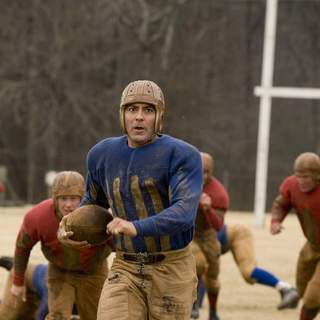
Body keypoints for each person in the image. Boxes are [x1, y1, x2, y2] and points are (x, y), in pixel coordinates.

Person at [60, 80, 203, 320]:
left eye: (147, 110)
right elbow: (92, 202)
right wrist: (69, 225)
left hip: (172, 267)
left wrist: (135, 227)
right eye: (131, 109)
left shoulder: (182, 155)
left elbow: (184, 213)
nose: (138, 117)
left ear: (159, 116)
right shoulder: (101, 154)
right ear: (122, 114)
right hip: (125, 266)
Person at [11, 171, 111, 320]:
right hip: (60, 272)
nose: (68, 205)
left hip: (94, 272)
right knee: (57, 316)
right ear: (54, 199)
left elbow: (121, 245)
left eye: (74, 199)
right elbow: (22, 247)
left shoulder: (98, 216)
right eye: (63, 199)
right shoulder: (37, 216)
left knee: (95, 317)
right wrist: (18, 282)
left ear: (83, 198)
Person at [270, 152, 320, 320]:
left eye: (306, 176)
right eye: (298, 176)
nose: (301, 181)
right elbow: (281, 204)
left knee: (313, 295)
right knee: (302, 287)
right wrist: (275, 221)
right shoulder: (291, 185)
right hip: (312, 245)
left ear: (317, 175)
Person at [217, 223, 299, 309]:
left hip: (238, 234)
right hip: (224, 239)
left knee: (248, 271)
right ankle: (284, 289)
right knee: (248, 277)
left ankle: (287, 289)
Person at [191, 152, 228, 320]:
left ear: (212, 171)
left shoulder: (218, 192)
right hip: (188, 235)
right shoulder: (183, 182)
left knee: (213, 279)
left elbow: (219, 226)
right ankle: (193, 305)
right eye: (199, 170)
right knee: (196, 264)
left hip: (207, 236)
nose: (202, 175)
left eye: (206, 171)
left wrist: (208, 209)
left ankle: (213, 312)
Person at [0, 256, 48, 320]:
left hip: (39, 287)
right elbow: (42, 313)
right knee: (5, 316)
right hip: (24, 277)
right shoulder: (56, 288)